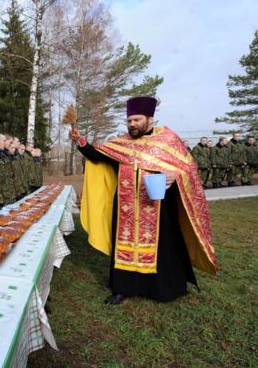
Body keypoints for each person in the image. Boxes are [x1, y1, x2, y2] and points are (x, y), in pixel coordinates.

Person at [70, 96, 218, 305]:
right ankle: (122, 288)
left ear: (150, 119)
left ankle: (161, 289)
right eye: (129, 121)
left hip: (159, 208)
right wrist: (80, 141)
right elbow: (98, 156)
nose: (132, 124)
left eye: (137, 120)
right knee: (123, 245)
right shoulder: (121, 144)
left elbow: (188, 169)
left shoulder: (167, 140)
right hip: (126, 207)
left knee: (162, 246)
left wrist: (175, 176)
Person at [0, 133, 16, 205]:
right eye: (4, 141)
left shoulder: (3, 155)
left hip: (7, 193)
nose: (6, 143)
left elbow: (9, 176)